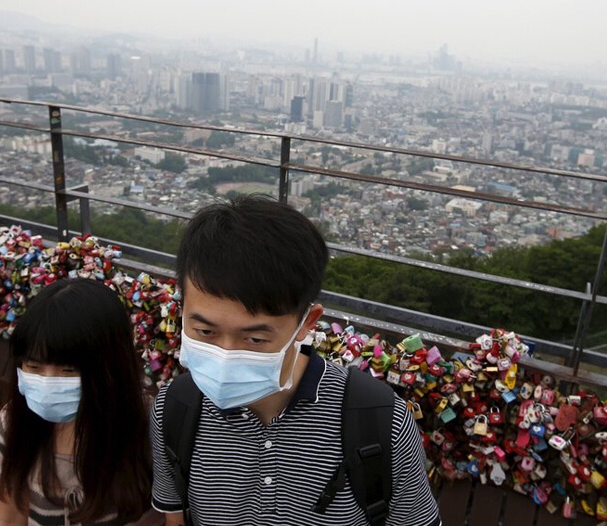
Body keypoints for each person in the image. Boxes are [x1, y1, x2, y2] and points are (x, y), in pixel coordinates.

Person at [150, 195, 441, 525]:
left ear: (307, 321)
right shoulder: (175, 410)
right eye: (204, 331)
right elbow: (175, 515)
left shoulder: (378, 421)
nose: (226, 355)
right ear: (182, 305)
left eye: (255, 339)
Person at [0, 278, 162, 526]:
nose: (48, 382)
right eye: (33, 366)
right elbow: (11, 512)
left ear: (111, 368)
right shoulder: (15, 421)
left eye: (69, 370)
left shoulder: (149, 423)